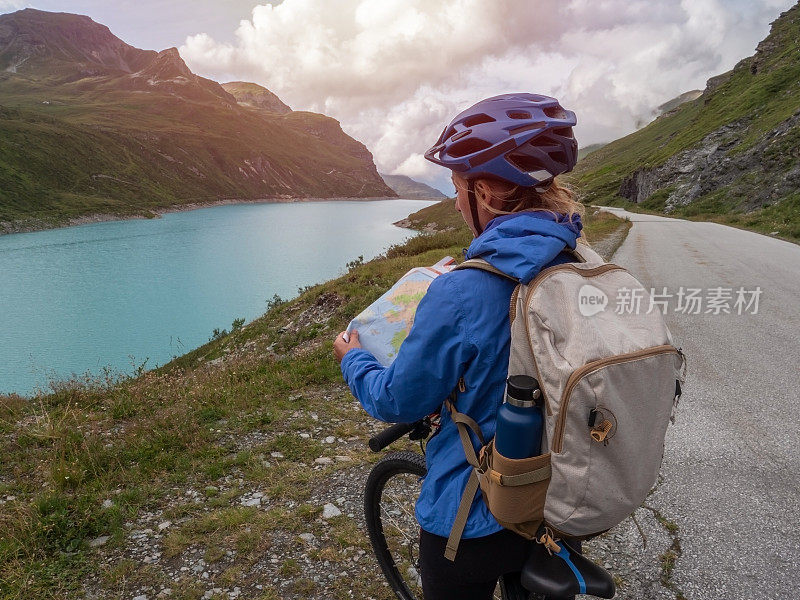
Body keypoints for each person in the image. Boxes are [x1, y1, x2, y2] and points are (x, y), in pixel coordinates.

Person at [333, 93, 585, 600]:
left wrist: (353, 356)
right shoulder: (574, 259)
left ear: (488, 192)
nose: (454, 201)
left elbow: (398, 400)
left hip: (478, 514)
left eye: (457, 186)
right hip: (559, 499)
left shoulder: (462, 291)